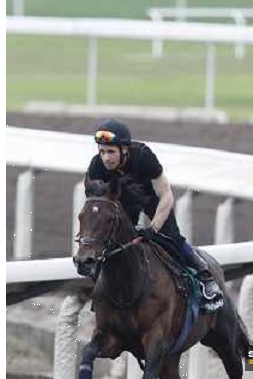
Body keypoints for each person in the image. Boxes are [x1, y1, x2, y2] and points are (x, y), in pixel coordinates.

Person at [84, 118, 223, 308]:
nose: (106, 157)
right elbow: (97, 206)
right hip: (123, 204)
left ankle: (206, 277)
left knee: (171, 238)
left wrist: (154, 227)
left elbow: (166, 195)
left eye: (111, 151)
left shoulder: (143, 156)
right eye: (102, 151)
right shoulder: (96, 166)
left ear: (124, 149)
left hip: (152, 200)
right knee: (113, 244)